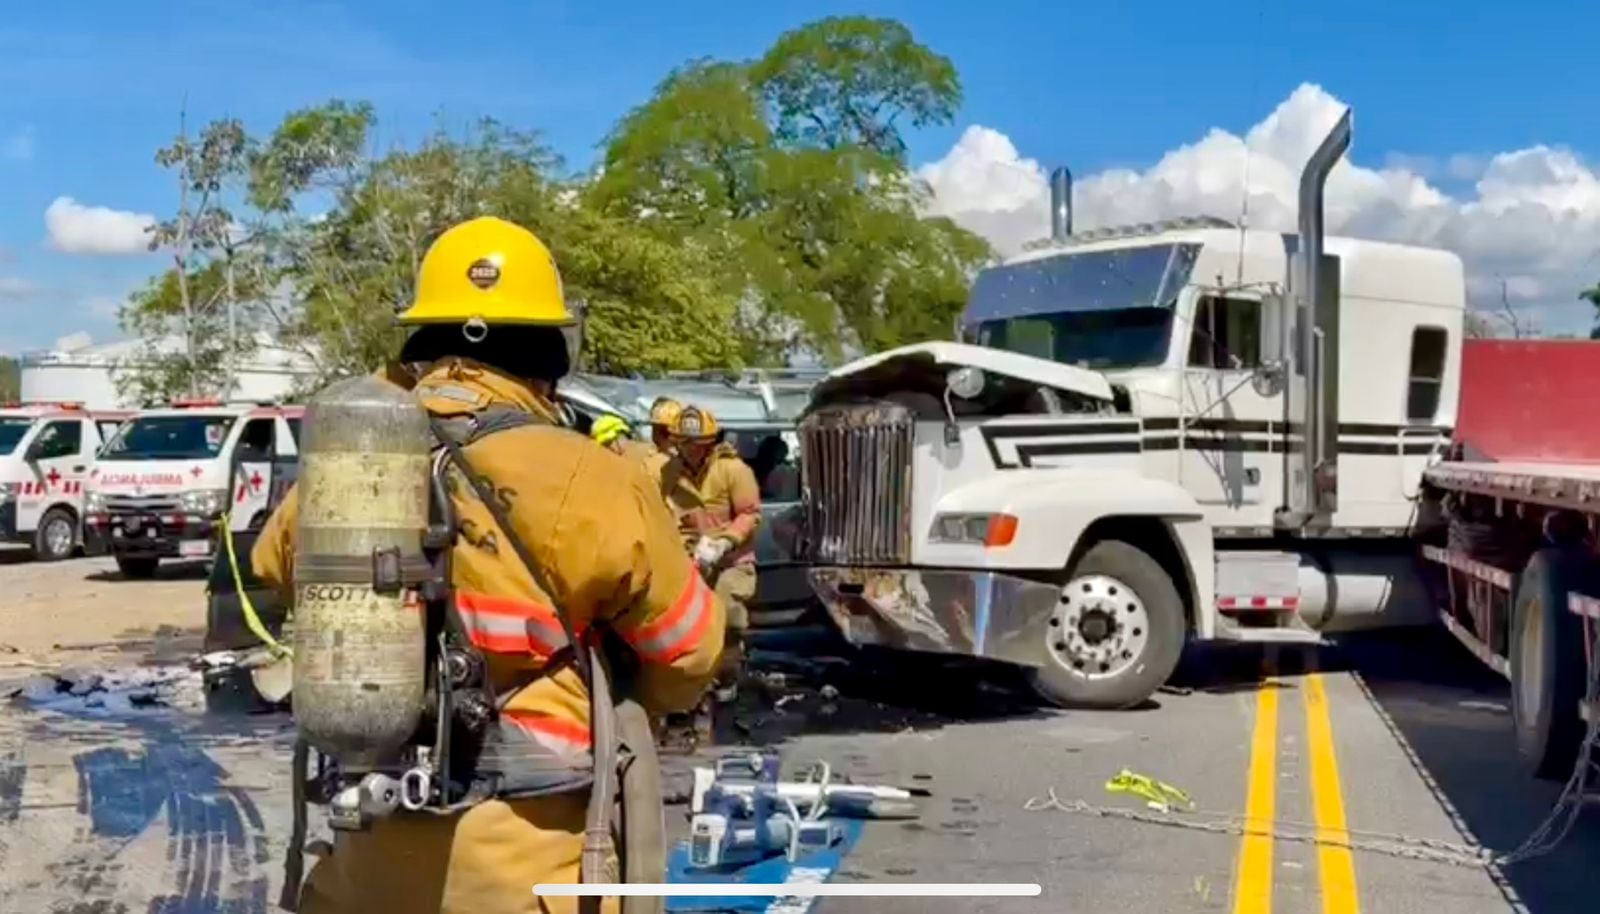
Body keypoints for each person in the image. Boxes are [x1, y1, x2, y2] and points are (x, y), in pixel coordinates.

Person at [251, 215, 725, 914]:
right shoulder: (593, 476)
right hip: (528, 864)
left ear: (421, 339)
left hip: (365, 863)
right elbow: (690, 654)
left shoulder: (355, 461)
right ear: (547, 351)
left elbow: (273, 564)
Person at [658, 405, 761, 704]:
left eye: (696, 444)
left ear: (709, 443)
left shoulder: (733, 470)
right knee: (689, 623)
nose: (690, 449)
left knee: (729, 614)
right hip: (691, 560)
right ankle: (696, 680)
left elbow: (750, 514)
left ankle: (728, 675)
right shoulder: (670, 472)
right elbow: (665, 513)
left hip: (732, 559)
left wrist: (726, 542)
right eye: (684, 443)